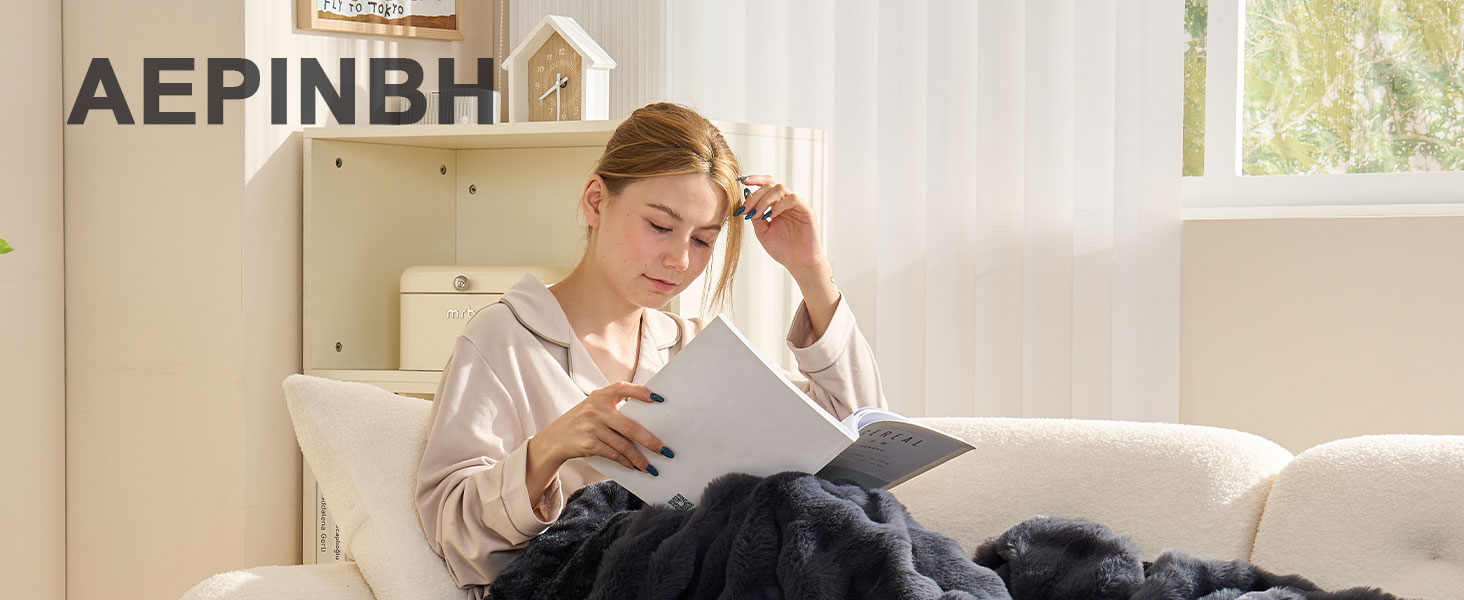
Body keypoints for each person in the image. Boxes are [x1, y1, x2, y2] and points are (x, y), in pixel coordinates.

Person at [413, 102, 889, 597]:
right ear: (596, 201)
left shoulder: (694, 348)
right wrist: (549, 449)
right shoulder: (504, 339)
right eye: (661, 226)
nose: (679, 259)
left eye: (703, 241)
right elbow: (454, 531)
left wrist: (811, 270)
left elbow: (855, 432)